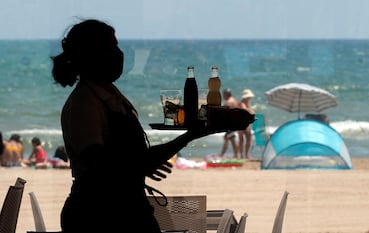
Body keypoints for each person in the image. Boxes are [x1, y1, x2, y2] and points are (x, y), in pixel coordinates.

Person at [51, 19, 218, 232]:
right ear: (93, 55)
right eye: (111, 47)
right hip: (99, 215)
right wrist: (185, 138)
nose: (119, 53)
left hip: (126, 209)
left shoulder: (109, 95)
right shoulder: (84, 103)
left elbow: (123, 162)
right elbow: (101, 167)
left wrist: (145, 162)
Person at [219, 88, 239, 158]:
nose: (223, 96)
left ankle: (224, 155)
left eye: (223, 95)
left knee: (229, 138)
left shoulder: (228, 102)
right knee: (229, 138)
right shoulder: (234, 100)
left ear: (226, 94)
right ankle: (234, 155)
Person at [238, 89, 255, 159]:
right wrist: (251, 111)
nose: (250, 98)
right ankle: (242, 155)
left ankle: (246, 155)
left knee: (248, 138)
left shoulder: (247, 103)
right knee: (241, 140)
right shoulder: (242, 103)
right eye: (249, 97)